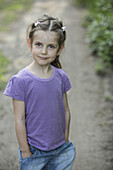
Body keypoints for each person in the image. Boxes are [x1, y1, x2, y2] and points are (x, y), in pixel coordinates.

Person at [4, 15, 76, 170]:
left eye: (51, 46)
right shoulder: (21, 80)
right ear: (30, 44)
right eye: (39, 44)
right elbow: (19, 120)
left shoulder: (61, 77)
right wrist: (25, 152)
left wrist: (65, 139)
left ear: (60, 48)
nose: (44, 51)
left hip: (60, 149)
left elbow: (66, 110)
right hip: (34, 151)